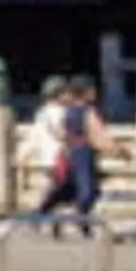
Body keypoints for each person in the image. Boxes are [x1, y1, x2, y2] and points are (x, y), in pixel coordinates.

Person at [36, 75, 110, 236]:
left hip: (62, 154)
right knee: (84, 189)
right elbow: (94, 134)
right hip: (67, 154)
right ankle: (74, 218)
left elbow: (59, 132)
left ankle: (49, 214)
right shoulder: (77, 112)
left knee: (66, 188)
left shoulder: (52, 112)